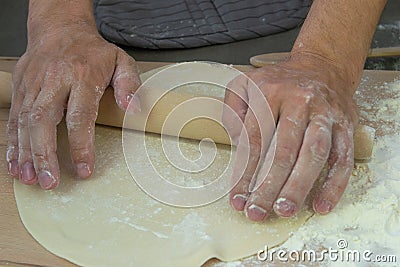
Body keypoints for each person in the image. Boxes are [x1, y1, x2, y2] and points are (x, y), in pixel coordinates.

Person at [6, 0, 386, 222]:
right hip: (131, 29)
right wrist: (59, 24)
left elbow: (324, 54)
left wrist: (324, 57)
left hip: (306, 21)